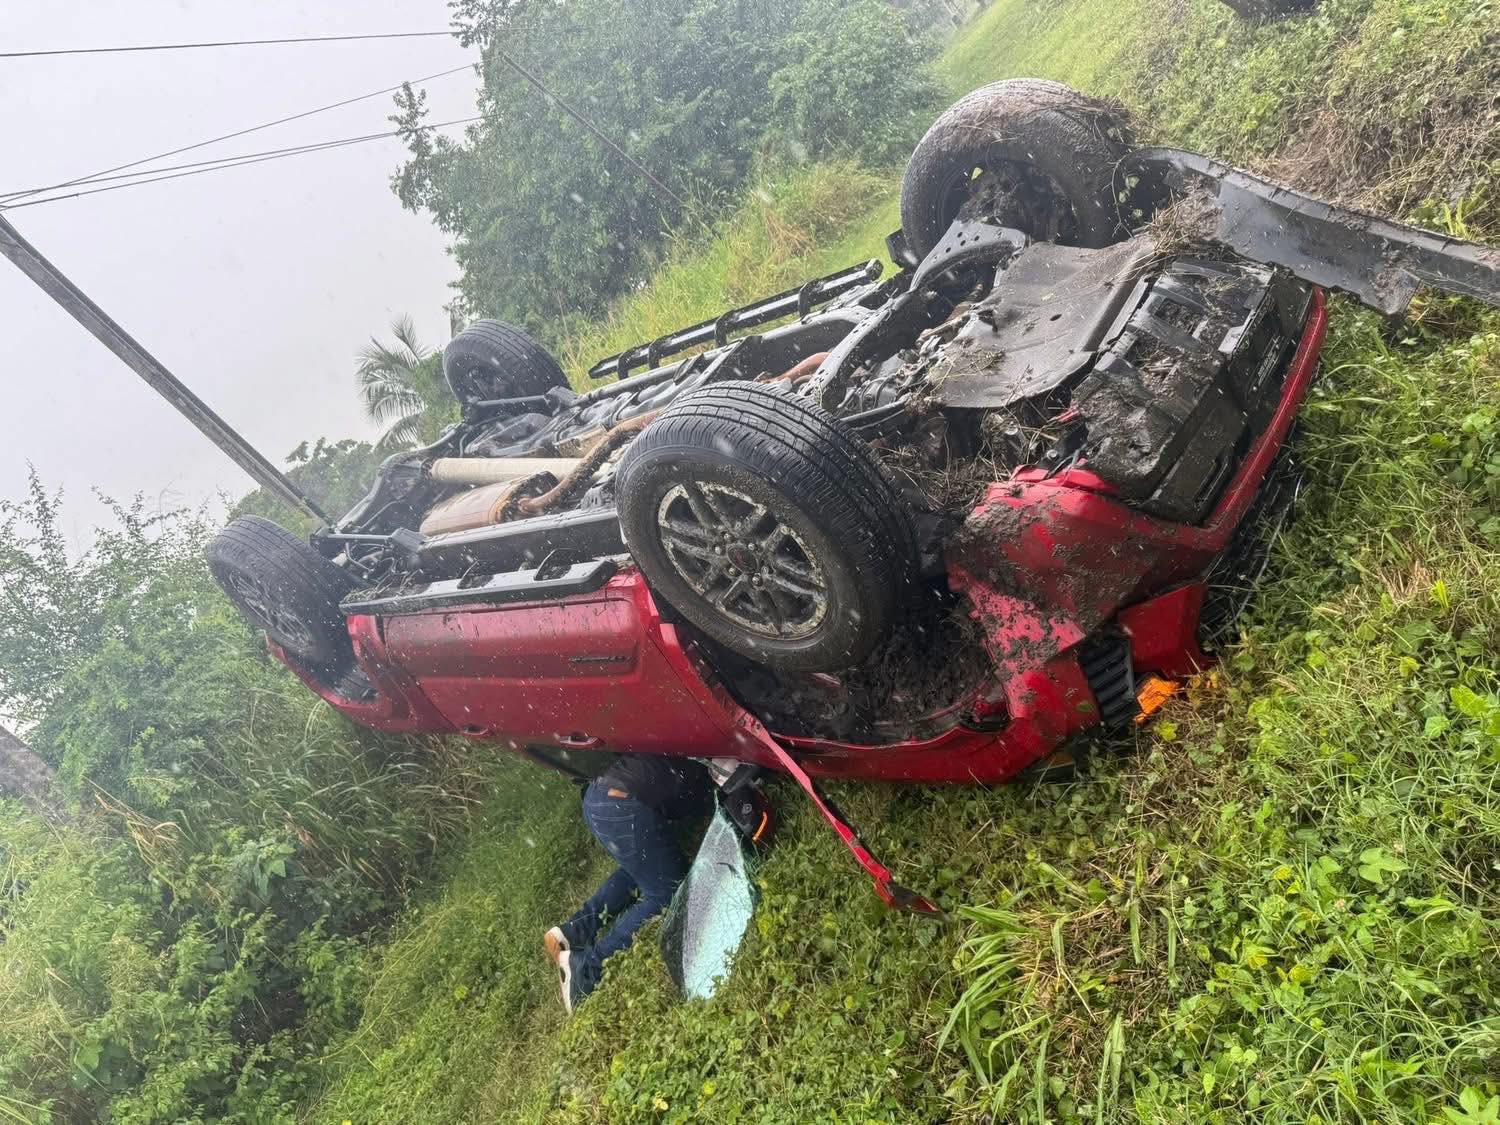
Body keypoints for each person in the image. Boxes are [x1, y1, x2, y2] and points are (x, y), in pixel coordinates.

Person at [544, 753, 712, 1012]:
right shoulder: (714, 760)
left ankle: (574, 930)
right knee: (667, 891)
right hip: (622, 805)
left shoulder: (687, 744)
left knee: (645, 866)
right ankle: (585, 970)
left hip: (599, 798)